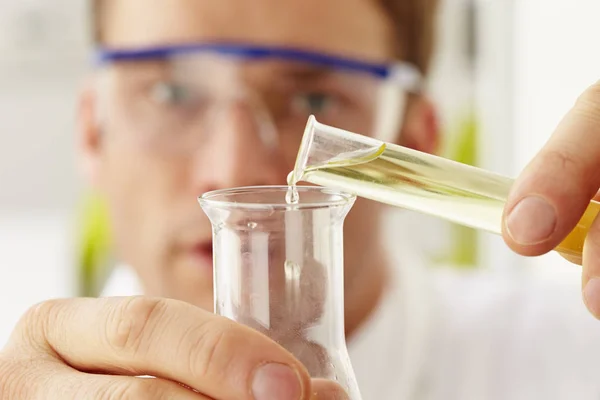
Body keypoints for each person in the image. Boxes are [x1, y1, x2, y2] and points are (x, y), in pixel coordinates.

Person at [1, 0, 600, 399]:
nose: (231, 169)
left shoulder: (574, 362)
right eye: (171, 91)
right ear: (90, 129)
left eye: (315, 96)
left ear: (416, 138)